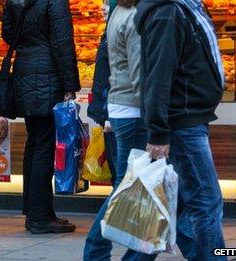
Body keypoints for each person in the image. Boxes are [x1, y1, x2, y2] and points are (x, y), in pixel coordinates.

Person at [134, 0, 226, 259]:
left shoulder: (185, 8)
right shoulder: (168, 13)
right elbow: (158, 75)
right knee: (206, 202)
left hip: (189, 119)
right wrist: (158, 132)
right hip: (183, 122)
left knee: (181, 205)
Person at [2, 0, 80, 234]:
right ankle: (40, 217)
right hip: (48, 76)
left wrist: (29, 45)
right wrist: (70, 83)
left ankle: (34, 211)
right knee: (44, 146)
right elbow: (62, 41)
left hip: (24, 71)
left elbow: (7, 33)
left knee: (34, 142)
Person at [83, 0, 149, 259]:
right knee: (126, 184)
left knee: (133, 183)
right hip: (133, 110)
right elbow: (138, 74)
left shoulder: (118, 12)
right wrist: (156, 118)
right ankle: (96, 249)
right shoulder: (132, 16)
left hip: (124, 108)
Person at [86, 0, 117, 186]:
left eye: (106, 3)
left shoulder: (116, 33)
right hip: (110, 112)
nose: (101, 8)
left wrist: (109, 114)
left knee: (120, 174)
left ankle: (116, 215)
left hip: (114, 114)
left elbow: (117, 77)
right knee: (117, 171)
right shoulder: (109, 31)